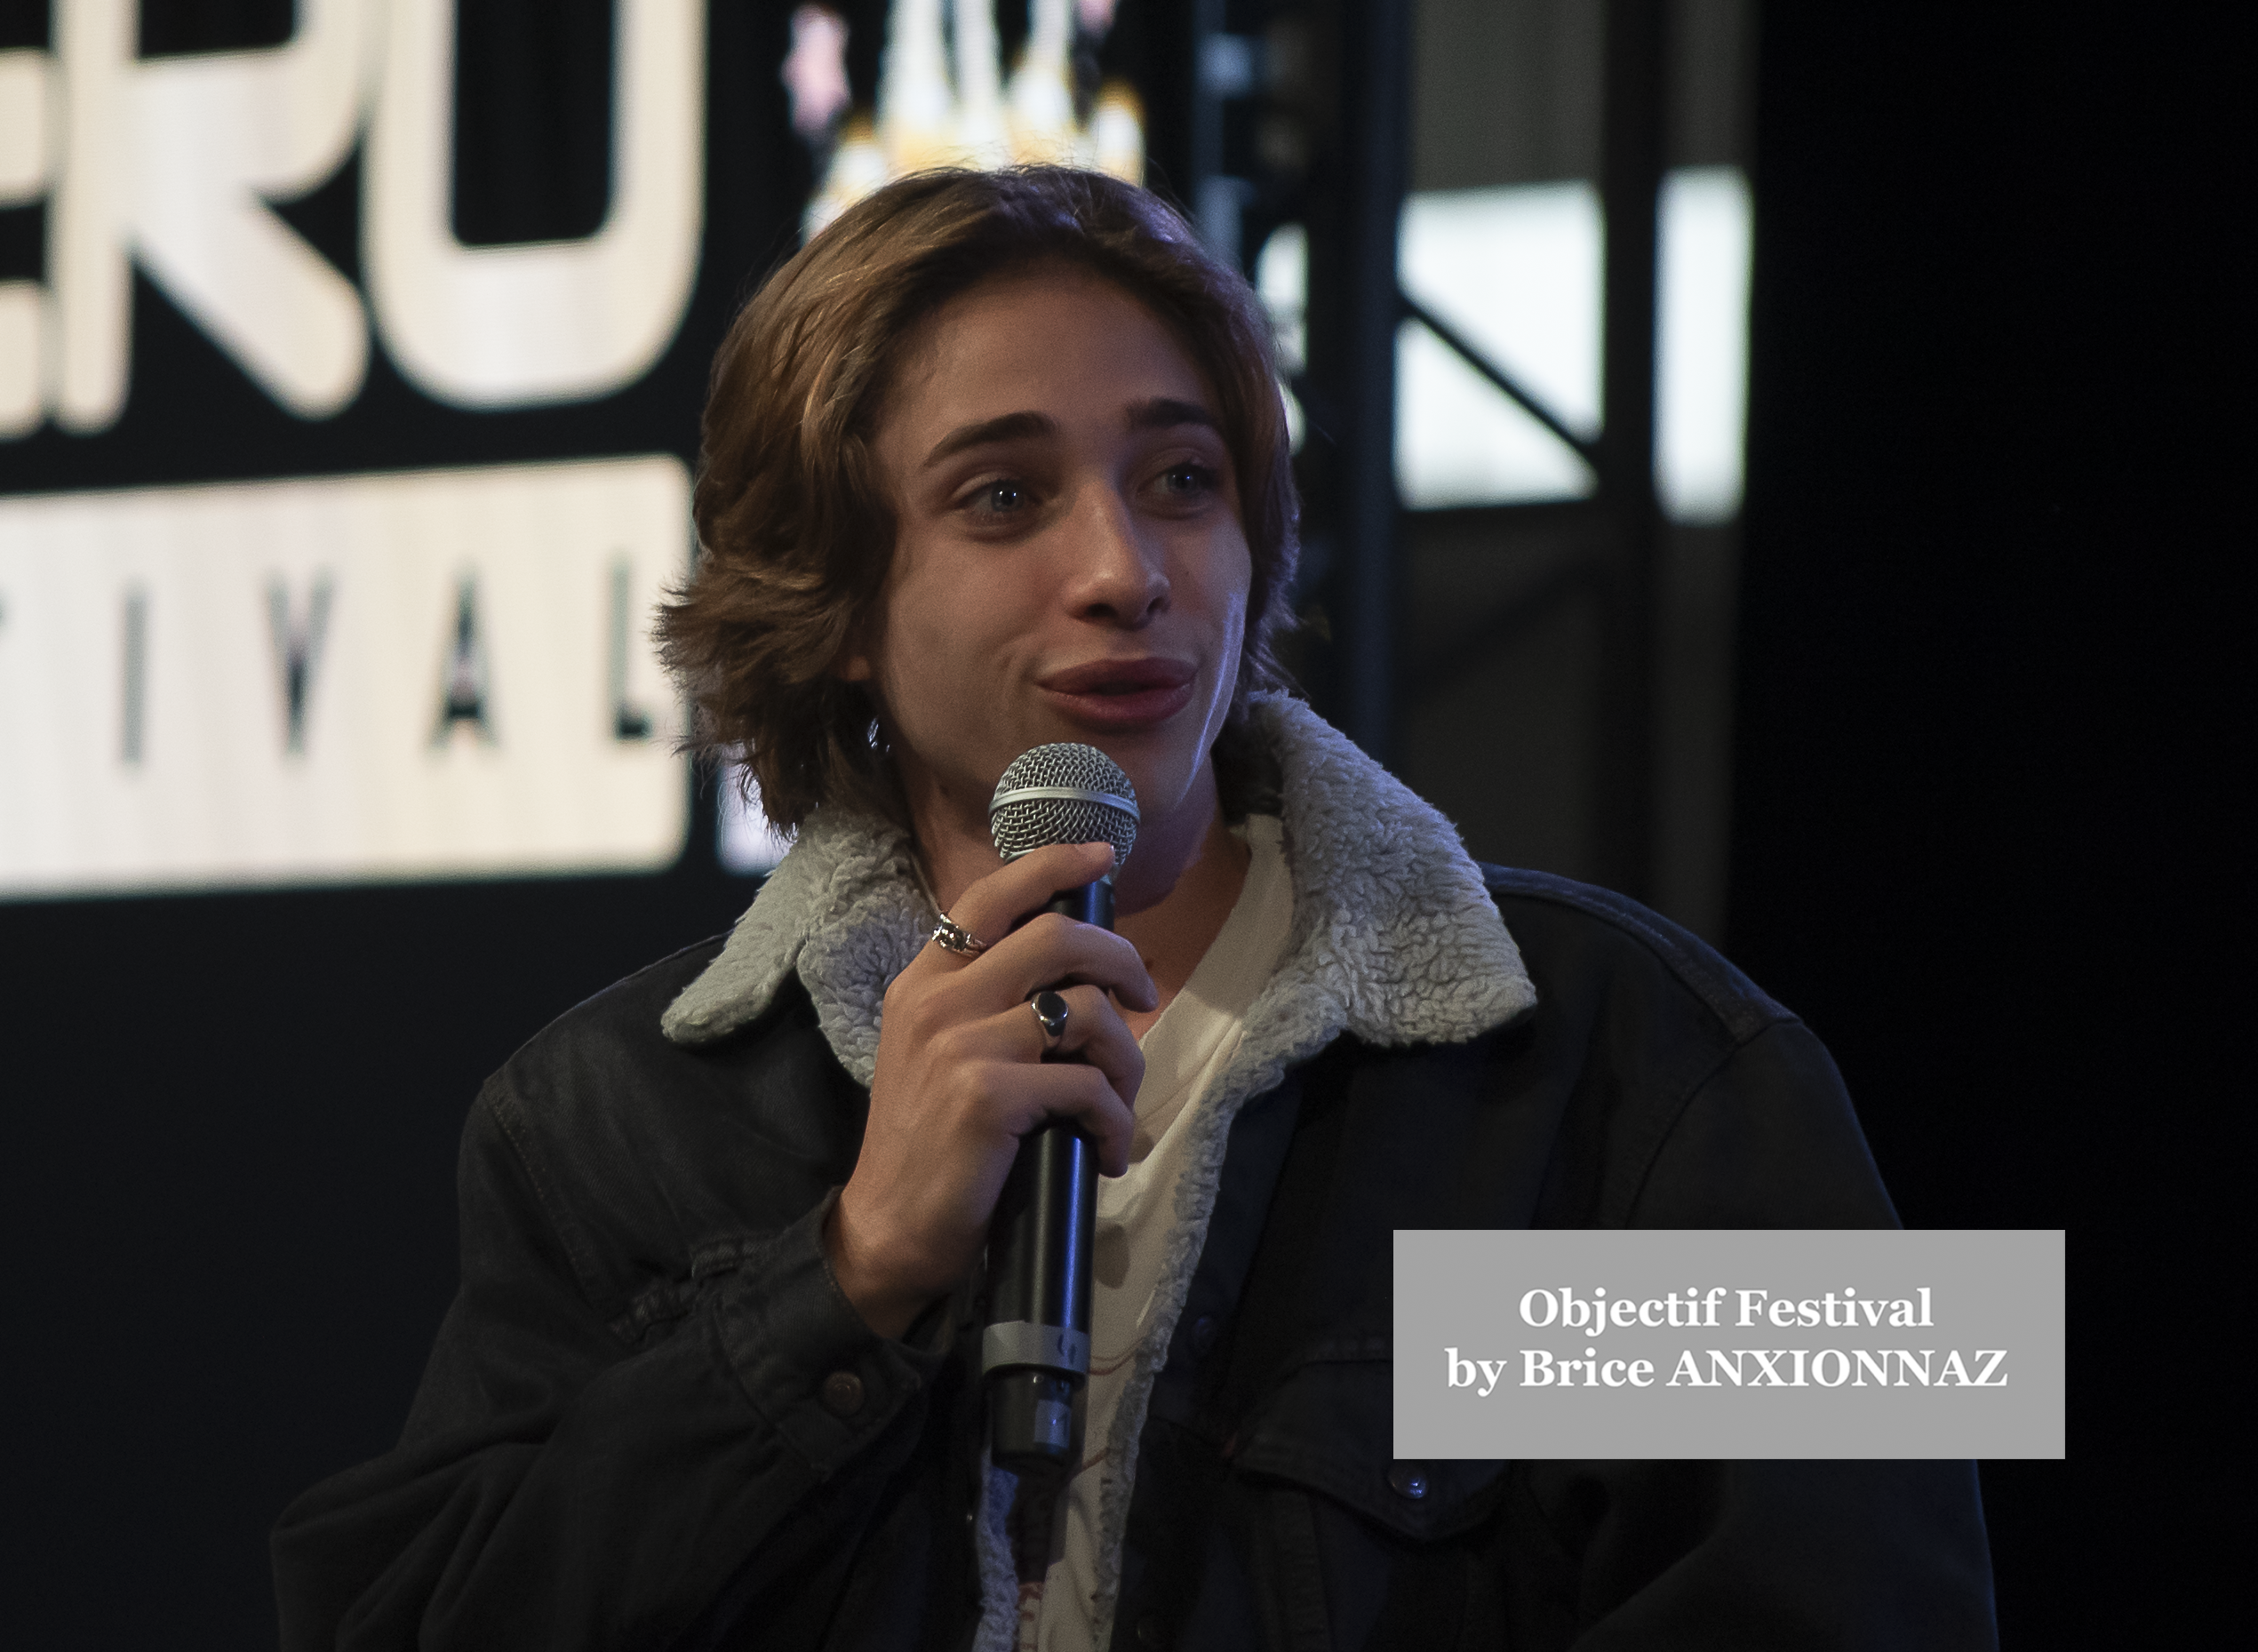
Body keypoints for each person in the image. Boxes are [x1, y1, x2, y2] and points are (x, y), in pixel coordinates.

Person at [272, 168, 1997, 1651]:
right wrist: (846, 1278)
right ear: (839, 603)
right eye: (1004, 495)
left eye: (1182, 477)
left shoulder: (1632, 1060)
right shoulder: (611, 1118)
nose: (1126, 566)